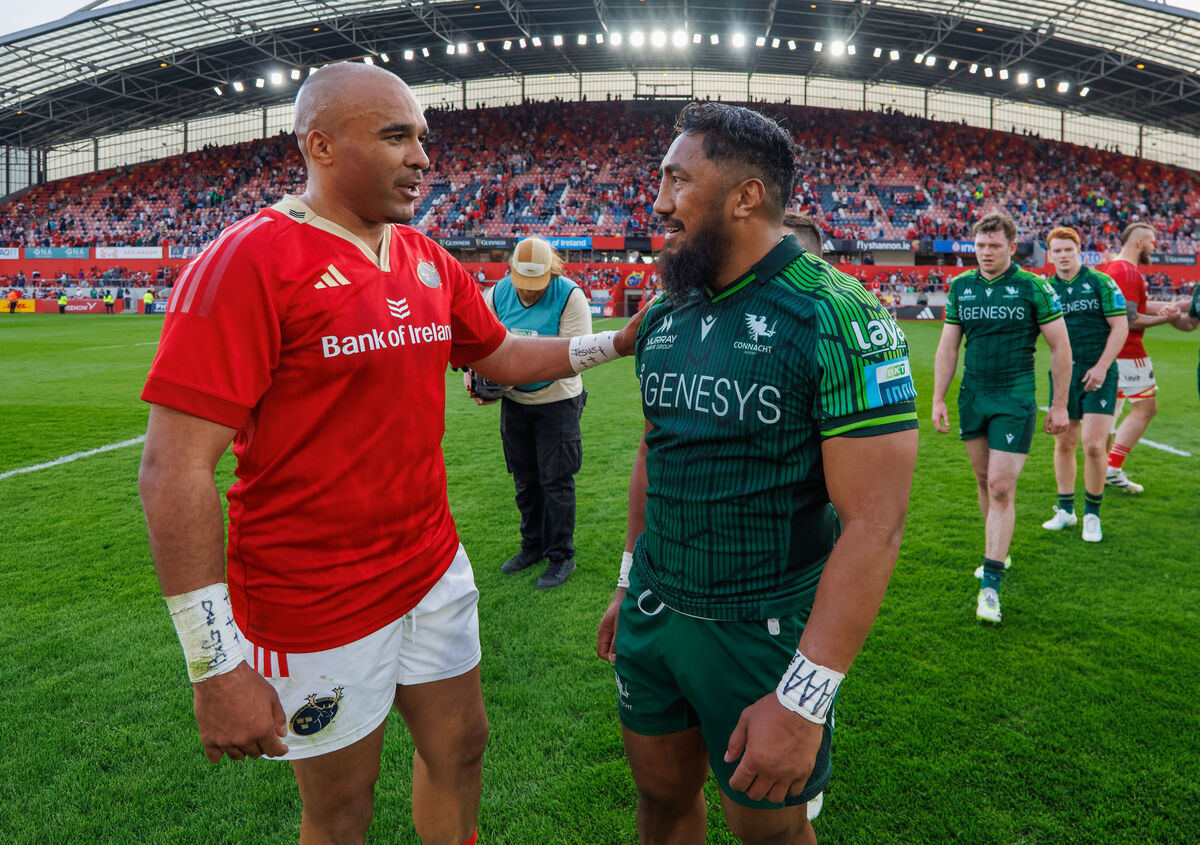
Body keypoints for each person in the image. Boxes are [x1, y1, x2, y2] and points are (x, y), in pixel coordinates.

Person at [139, 62, 645, 845]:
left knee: (463, 746)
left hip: (431, 566)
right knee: (342, 809)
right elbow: (173, 468)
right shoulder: (248, 260)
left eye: (422, 137)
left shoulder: (425, 256)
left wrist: (615, 341)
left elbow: (502, 353)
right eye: (395, 136)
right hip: (315, 596)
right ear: (320, 146)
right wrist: (213, 664)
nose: (422, 157)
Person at [595, 103, 919, 845]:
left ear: (745, 196)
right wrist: (627, 582)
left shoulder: (840, 316)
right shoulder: (668, 309)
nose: (659, 202)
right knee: (660, 799)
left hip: (762, 630)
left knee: (767, 833)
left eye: (678, 180)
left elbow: (876, 524)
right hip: (654, 607)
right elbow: (654, 451)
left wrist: (804, 698)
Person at [931, 212, 1071, 624]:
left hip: (1014, 397)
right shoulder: (961, 286)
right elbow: (948, 347)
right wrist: (938, 398)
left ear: (1011, 247)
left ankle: (990, 584)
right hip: (973, 397)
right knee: (983, 481)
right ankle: (999, 551)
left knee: (1001, 486)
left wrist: (1060, 404)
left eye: (994, 246)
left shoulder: (1033, 287)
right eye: (980, 245)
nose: (986, 252)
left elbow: (1060, 347)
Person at [468, 236, 592, 589]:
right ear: (510, 271)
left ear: (552, 272)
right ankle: (532, 545)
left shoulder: (570, 296)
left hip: (558, 402)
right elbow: (482, 343)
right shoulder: (496, 294)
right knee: (524, 480)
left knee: (556, 481)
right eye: (523, 282)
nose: (528, 291)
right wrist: (475, 377)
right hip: (516, 403)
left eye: (537, 284)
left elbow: (574, 357)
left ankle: (561, 556)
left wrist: (513, 372)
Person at [1042, 227, 1128, 543]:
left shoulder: (1100, 282)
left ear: (1079, 251)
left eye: (1069, 250)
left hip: (1099, 374)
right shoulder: (1046, 290)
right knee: (1064, 442)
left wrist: (1102, 367)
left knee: (1093, 445)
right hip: (1063, 376)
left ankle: (1092, 514)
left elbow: (1120, 327)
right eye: (1057, 251)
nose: (1063, 255)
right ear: (1049, 255)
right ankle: (1066, 510)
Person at [1099, 223, 1180, 493]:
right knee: (1146, 409)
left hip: (1111, 351)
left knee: (1110, 413)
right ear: (1139, 243)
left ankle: (1101, 468)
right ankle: (1112, 468)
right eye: (1152, 242)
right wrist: (1165, 319)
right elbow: (1129, 319)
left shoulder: (1113, 268)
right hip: (1128, 351)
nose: (1154, 247)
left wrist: (1174, 307)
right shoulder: (1127, 272)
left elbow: (1136, 307)